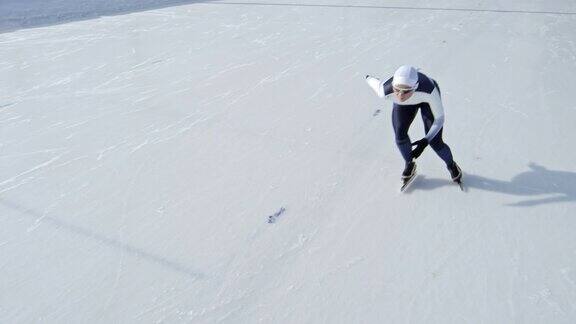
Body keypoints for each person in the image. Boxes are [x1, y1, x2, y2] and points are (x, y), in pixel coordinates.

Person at [365, 65, 462, 182]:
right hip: (405, 105)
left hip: (426, 101)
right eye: (397, 89)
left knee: (435, 142)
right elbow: (374, 82)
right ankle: (409, 164)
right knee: (400, 136)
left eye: (406, 91)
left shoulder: (430, 91)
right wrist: (367, 77)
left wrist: (426, 141)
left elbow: (439, 119)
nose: (400, 95)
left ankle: (451, 165)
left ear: (415, 87)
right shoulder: (385, 91)